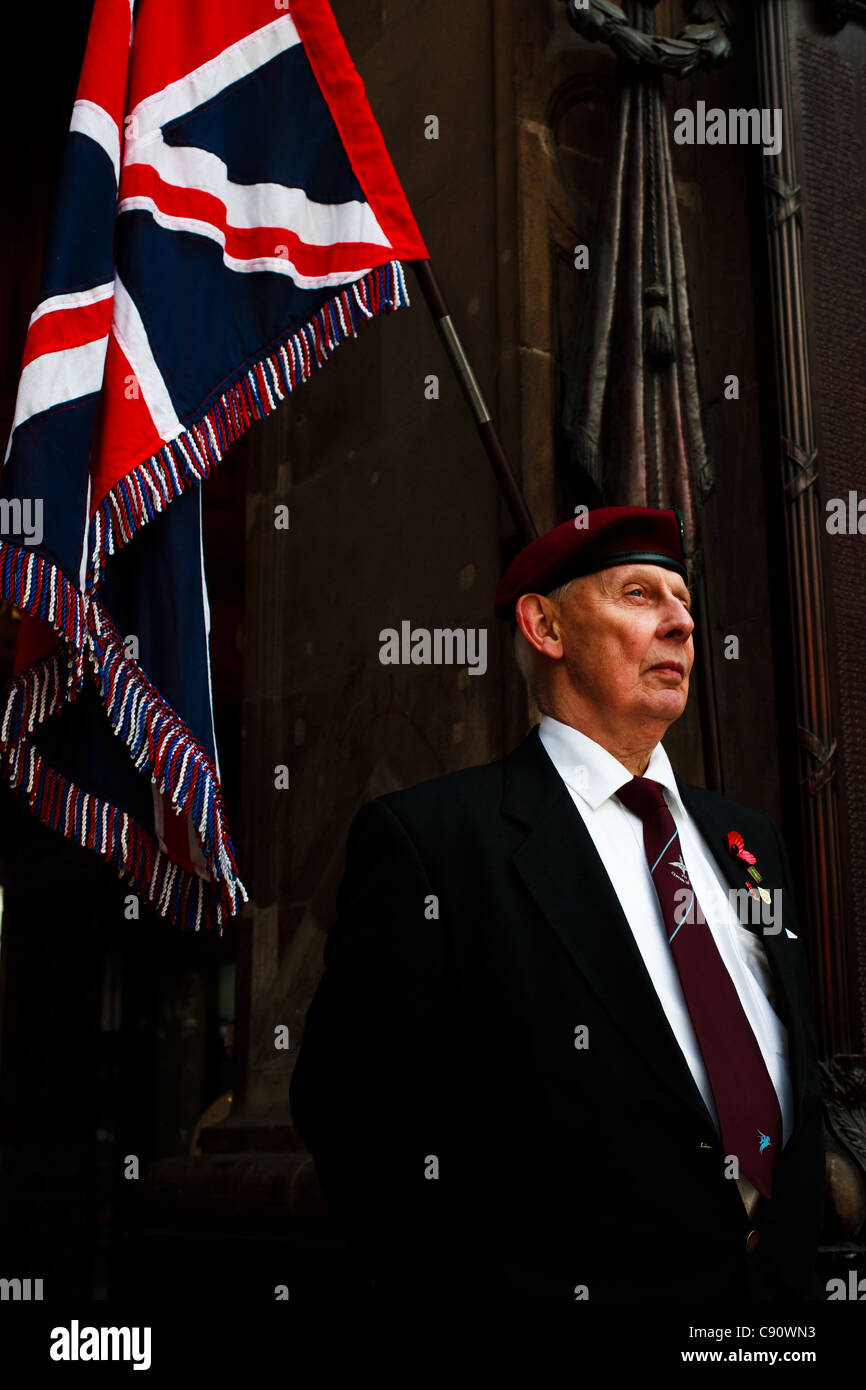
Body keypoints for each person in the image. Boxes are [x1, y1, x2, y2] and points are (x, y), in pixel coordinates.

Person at [289, 505, 826, 1302]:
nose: (681, 623)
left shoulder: (751, 844)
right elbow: (355, 1122)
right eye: (640, 595)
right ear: (544, 625)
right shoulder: (434, 842)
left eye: (683, 601)